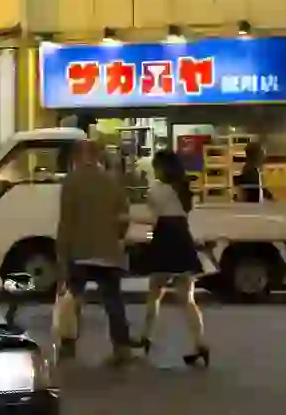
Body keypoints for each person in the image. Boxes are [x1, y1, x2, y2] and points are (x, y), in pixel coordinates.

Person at [55, 139, 135, 365]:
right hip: (108, 252)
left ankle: (69, 345)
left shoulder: (72, 182)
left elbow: (66, 222)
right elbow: (123, 216)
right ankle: (122, 347)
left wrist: (62, 254)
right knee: (113, 301)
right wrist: (117, 237)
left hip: (80, 251)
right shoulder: (112, 182)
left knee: (73, 300)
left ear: (78, 156)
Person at [133, 150, 210, 367]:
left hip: (165, 240)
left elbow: (151, 217)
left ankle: (145, 338)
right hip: (183, 239)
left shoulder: (156, 189)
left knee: (154, 293)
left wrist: (124, 218)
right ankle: (200, 343)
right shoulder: (184, 188)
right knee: (187, 299)